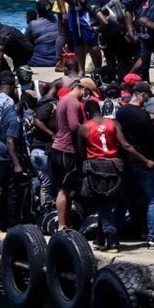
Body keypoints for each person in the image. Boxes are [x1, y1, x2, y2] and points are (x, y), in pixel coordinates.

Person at [78, 99, 152, 253]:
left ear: (87, 113)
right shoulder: (114, 124)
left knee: (101, 203)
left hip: (96, 166)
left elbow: (81, 152)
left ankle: (112, 239)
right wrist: (145, 160)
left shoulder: (84, 128)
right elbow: (125, 145)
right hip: (115, 166)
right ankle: (100, 238)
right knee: (110, 201)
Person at [115, 82, 154, 248]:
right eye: (147, 96)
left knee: (124, 200)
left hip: (127, 162)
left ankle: (113, 235)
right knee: (153, 200)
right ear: (142, 94)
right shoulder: (143, 116)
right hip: (145, 162)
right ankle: (153, 238)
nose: (148, 99)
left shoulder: (121, 112)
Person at [50, 78, 96, 230]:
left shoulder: (63, 99)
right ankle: (62, 224)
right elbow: (74, 126)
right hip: (67, 150)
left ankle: (66, 222)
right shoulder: (73, 102)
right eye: (88, 92)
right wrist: (90, 131)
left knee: (65, 190)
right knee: (64, 189)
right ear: (84, 89)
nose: (87, 95)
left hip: (58, 148)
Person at [0, 87, 24, 230]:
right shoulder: (15, 118)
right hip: (5, 159)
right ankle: (10, 223)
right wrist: (17, 164)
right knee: (11, 192)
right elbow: (10, 141)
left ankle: (1, 220)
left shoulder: (9, 109)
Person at [62, 0, 103, 75]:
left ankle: (98, 70)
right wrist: (64, 12)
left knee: (91, 42)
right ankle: (81, 71)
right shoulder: (72, 6)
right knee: (77, 42)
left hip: (85, 10)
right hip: (74, 12)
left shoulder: (90, 1)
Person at [23, 0, 59, 68]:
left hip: (37, 61)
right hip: (57, 60)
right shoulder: (59, 20)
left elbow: (25, 42)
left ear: (38, 12)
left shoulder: (33, 24)